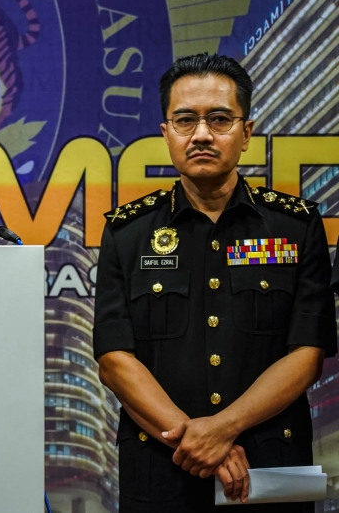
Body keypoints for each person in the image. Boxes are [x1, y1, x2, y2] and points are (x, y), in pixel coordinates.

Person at [93, 53, 336, 511]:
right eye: (185, 120)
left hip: (272, 470)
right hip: (164, 470)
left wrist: (221, 430)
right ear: (165, 133)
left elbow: (307, 355)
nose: (202, 134)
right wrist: (200, 441)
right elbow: (114, 359)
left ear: (246, 133)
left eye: (219, 119)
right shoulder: (126, 233)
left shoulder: (296, 226)